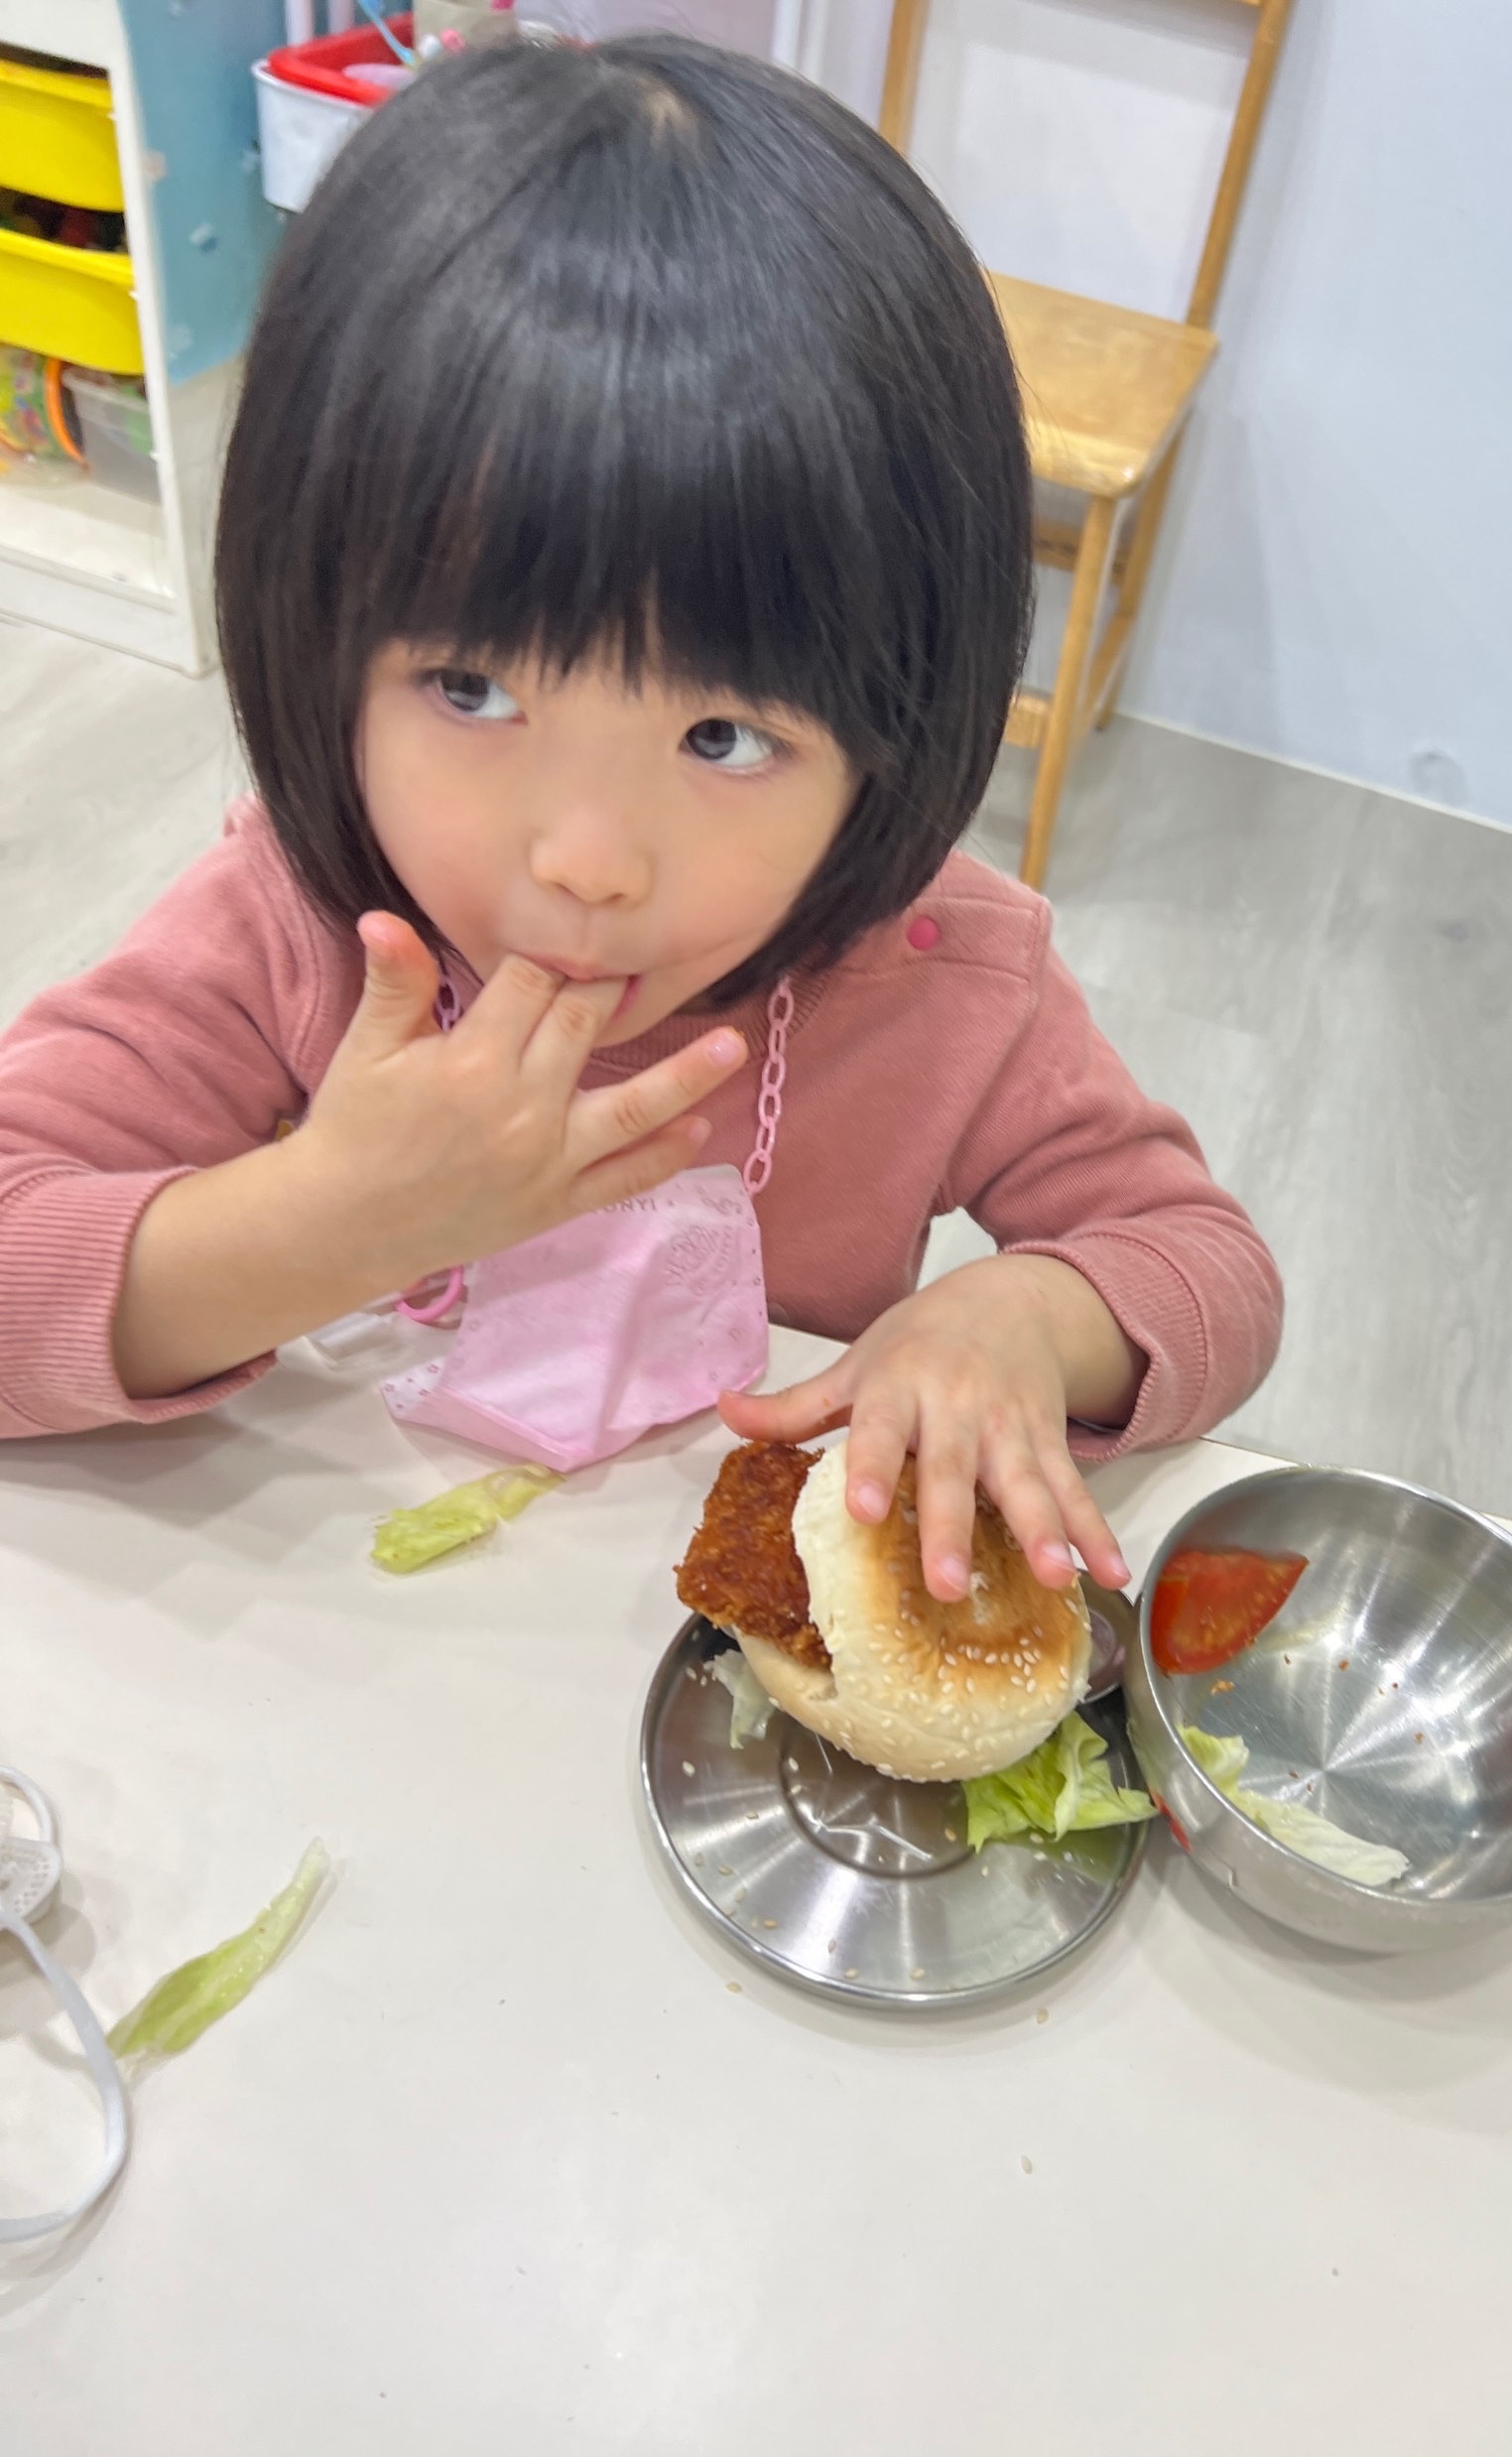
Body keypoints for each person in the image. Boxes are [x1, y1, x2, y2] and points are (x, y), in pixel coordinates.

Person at [0, 38, 1281, 1602]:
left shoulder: (940, 976)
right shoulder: (309, 923)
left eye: (723, 737)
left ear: (898, 727)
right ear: (312, 636)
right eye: (471, 689)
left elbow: (1209, 1268)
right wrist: (320, 1226)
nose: (585, 863)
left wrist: (1021, 1318)